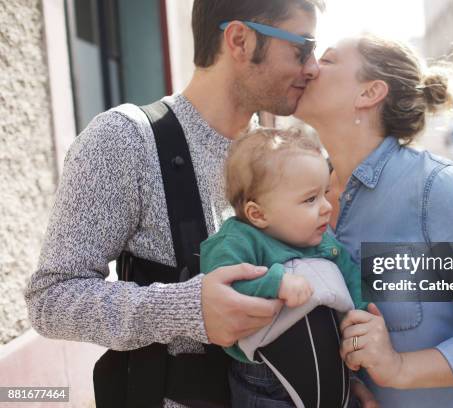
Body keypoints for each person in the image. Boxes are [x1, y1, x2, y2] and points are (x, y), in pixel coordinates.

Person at [23, 1, 339, 407]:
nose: (312, 67)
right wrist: (188, 309)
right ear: (240, 40)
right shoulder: (124, 141)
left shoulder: (279, 153)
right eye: (302, 48)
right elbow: (50, 300)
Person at [295, 35, 453, 407]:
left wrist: (398, 368)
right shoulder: (304, 192)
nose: (310, 66)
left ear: (370, 92)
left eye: (327, 60)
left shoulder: (438, 188)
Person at [199, 128, 369, 407]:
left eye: (325, 194)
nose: (327, 207)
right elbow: (222, 290)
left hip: (335, 374)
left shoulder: (324, 241)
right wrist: (277, 282)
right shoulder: (237, 241)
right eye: (310, 199)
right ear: (259, 214)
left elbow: (351, 277)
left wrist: (361, 315)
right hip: (267, 381)